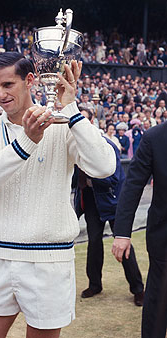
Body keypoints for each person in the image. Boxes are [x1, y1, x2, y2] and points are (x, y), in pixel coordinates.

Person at [0, 52, 116, 338]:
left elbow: (104, 166)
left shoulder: (63, 126)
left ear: (30, 80)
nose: (1, 94)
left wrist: (70, 108)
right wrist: (26, 142)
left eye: (8, 84)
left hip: (49, 261)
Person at [74, 109, 144, 305]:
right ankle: (95, 284)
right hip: (91, 202)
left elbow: (113, 179)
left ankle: (138, 289)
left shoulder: (107, 145)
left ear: (91, 122)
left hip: (113, 202)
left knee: (123, 243)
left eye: (83, 119)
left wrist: (90, 181)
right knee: (93, 243)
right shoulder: (74, 145)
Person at [112, 120, 167, 338]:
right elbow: (133, 185)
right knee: (158, 299)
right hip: (164, 237)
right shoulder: (154, 137)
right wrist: (123, 233)